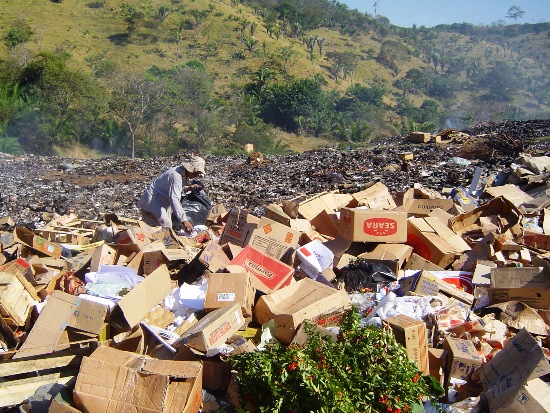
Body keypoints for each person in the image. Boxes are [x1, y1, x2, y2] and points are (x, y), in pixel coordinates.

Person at [137, 155, 206, 232]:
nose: (196, 176)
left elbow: (175, 190)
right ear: (191, 170)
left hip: (161, 203)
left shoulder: (182, 175)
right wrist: (184, 220)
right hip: (153, 202)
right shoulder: (176, 176)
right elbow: (174, 198)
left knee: (156, 230)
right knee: (165, 227)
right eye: (196, 173)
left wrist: (188, 188)